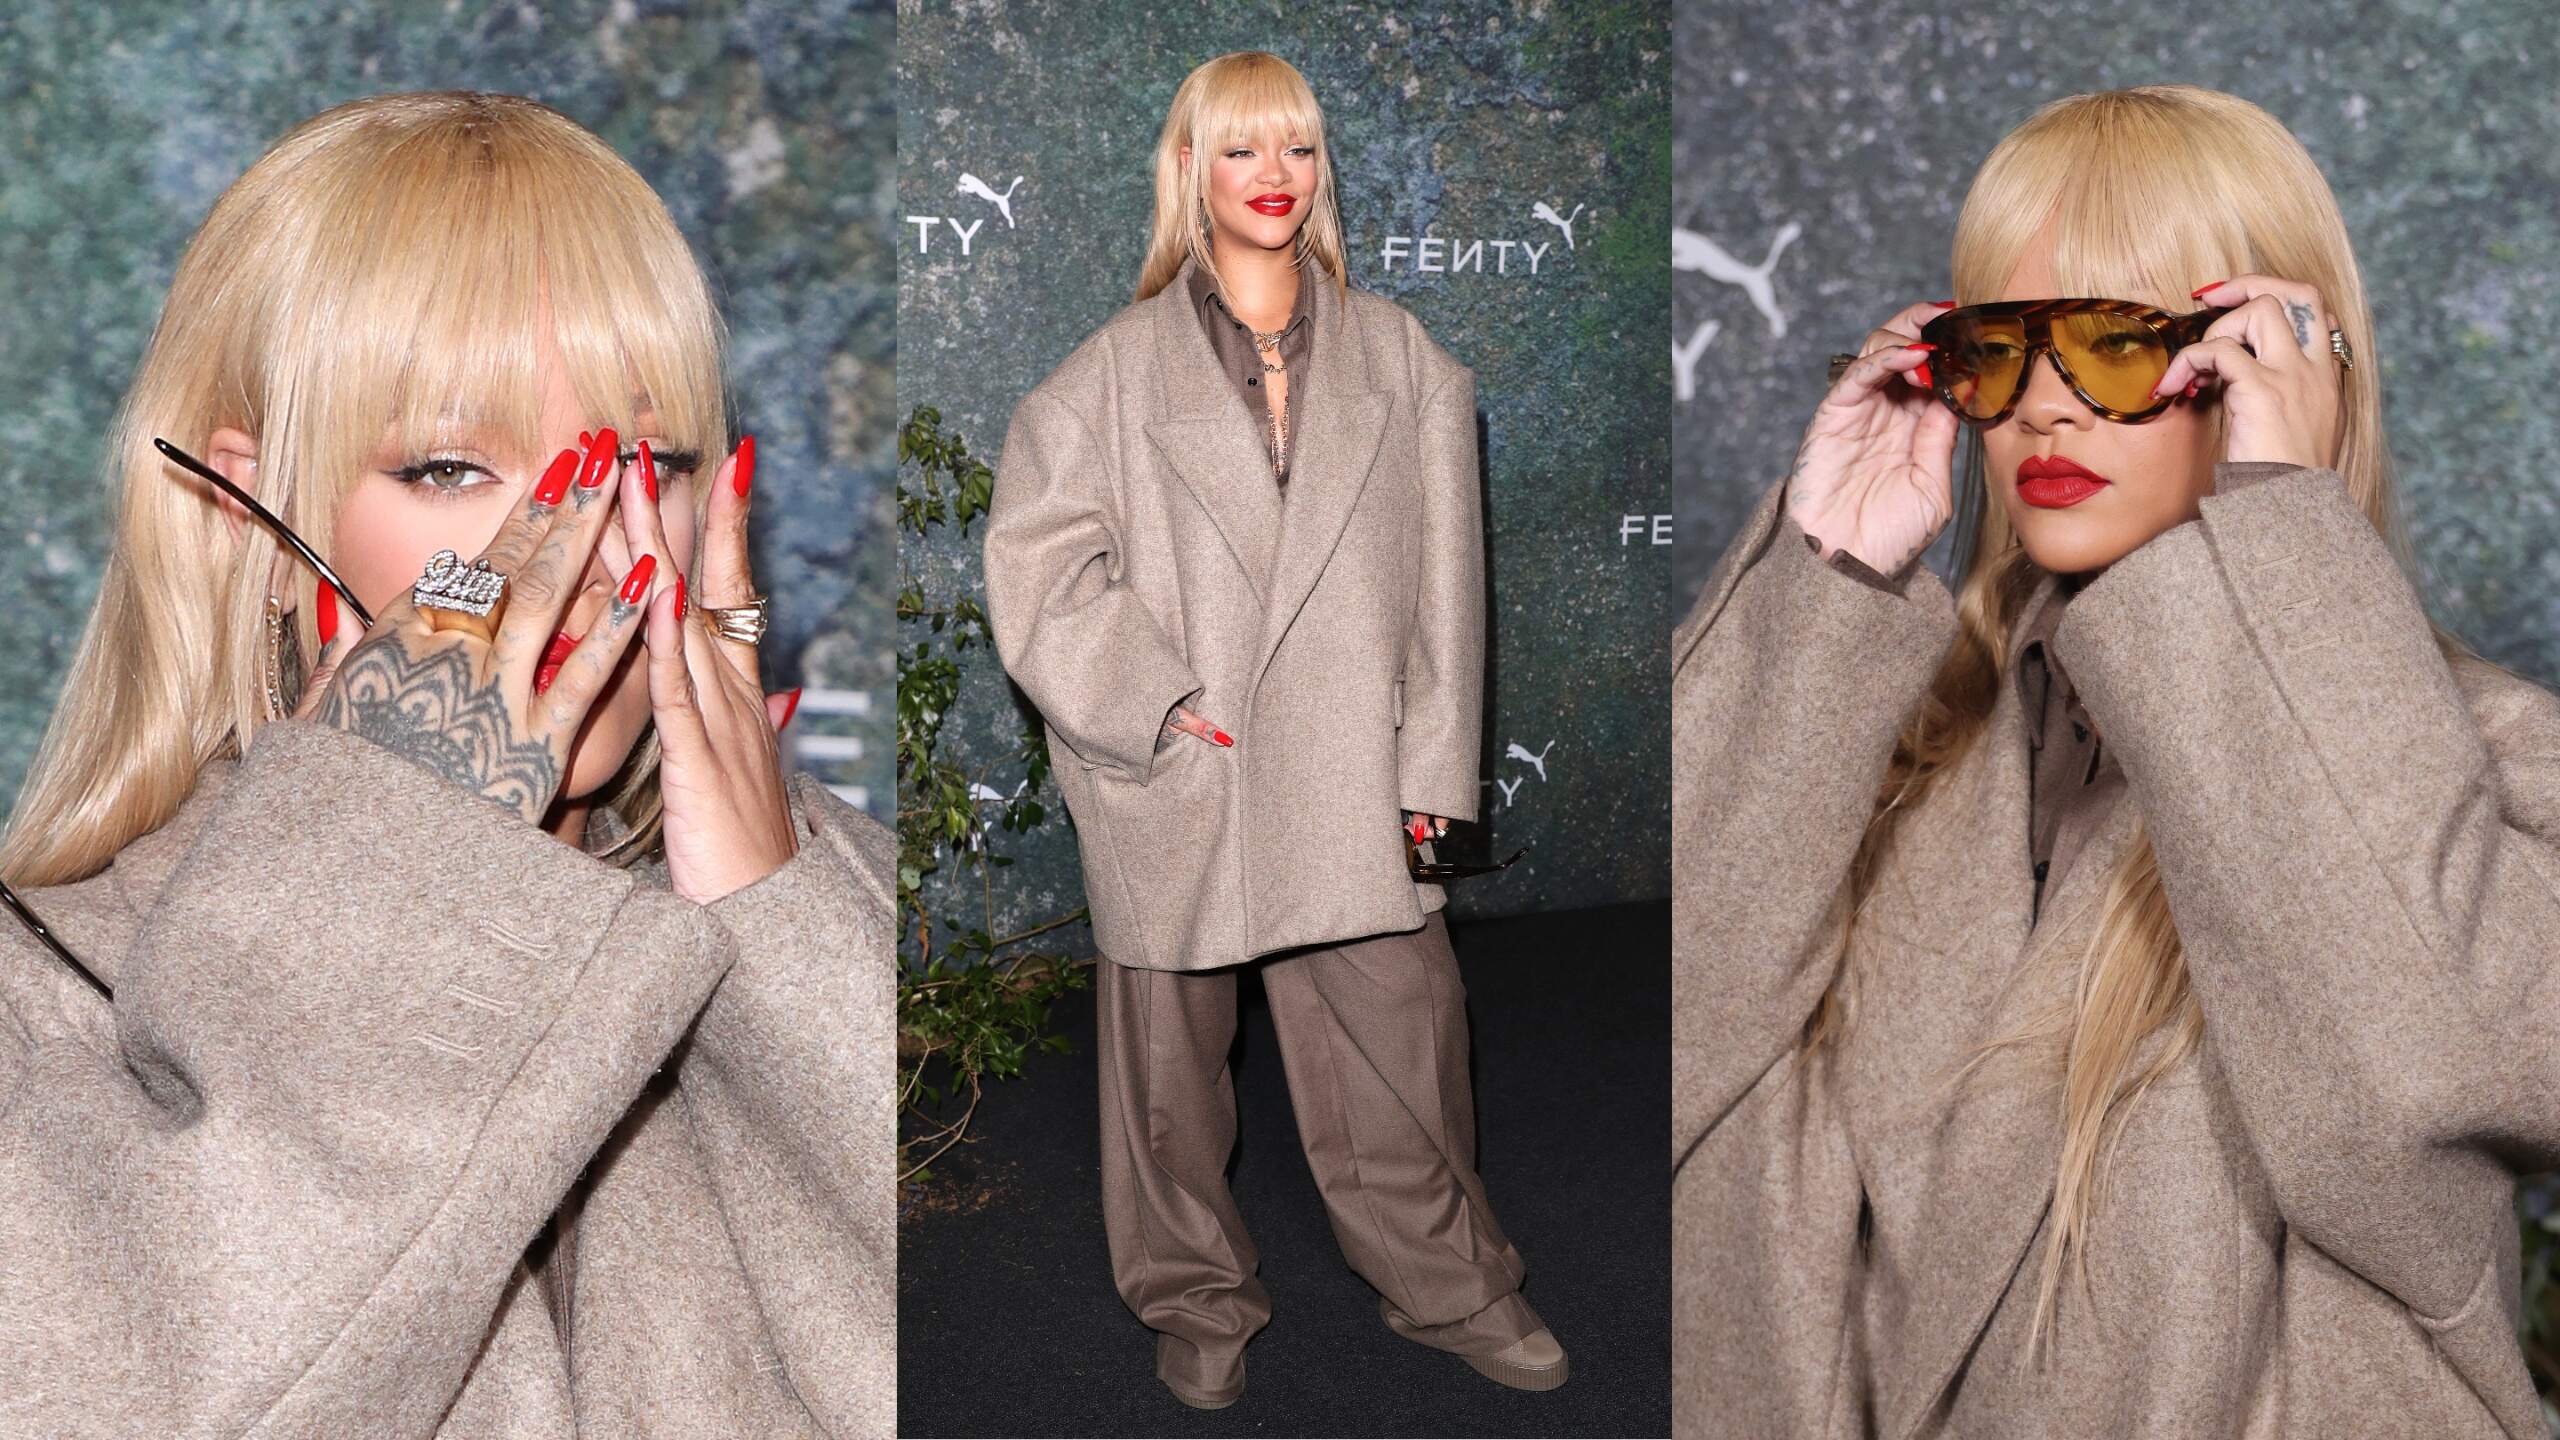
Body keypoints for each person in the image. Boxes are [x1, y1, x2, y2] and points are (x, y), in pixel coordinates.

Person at [0, 92, 894, 1437]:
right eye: (452, 465)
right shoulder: (40, 998)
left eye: (644, 459)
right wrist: (397, 882)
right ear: (249, 510)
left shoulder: (845, 902)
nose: (584, 543)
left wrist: (785, 947)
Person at [1673, 84, 2560, 1437]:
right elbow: (1667, 1055)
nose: (2044, 408)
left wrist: (2286, 543)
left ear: (2286, 363)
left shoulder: (2497, 772)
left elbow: (2421, 1093)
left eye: (2118, 346)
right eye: (1996, 349)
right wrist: (1828, 591)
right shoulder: (1897, 756)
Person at [982, 49, 1567, 1412]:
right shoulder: (1108, 378)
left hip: (1354, 777)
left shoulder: (1406, 361)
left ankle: (1452, 1288)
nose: (1272, 179)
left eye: (1297, 149)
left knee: (1406, 1054)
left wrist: (1430, 775)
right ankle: (1193, 1296)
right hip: (1185, 776)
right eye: (1240, 149)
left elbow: (1447, 596)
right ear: (1187, 170)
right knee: (1168, 1084)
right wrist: (1161, 708)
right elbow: (1039, 565)